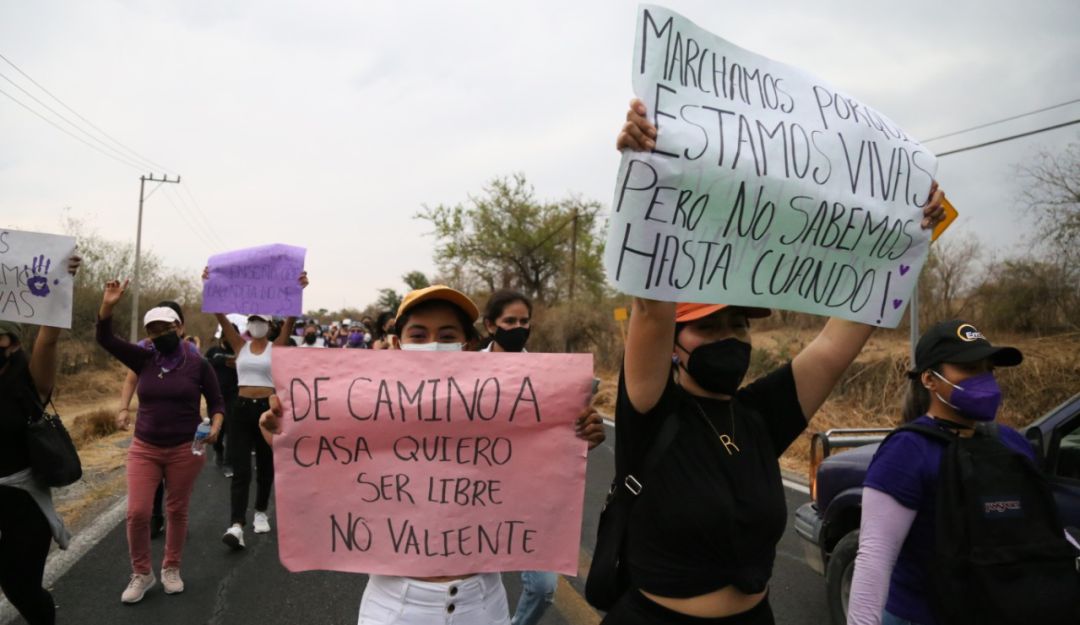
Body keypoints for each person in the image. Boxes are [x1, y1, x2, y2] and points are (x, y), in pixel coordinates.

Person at [602, 99, 946, 624]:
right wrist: (647, 173)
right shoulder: (649, 410)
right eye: (709, 326)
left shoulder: (760, 415)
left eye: (738, 325)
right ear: (674, 341)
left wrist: (911, 236)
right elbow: (650, 305)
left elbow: (836, 343)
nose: (730, 337)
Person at [259, 285, 605, 625]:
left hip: (484, 606)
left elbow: (530, 471)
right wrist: (284, 431)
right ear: (398, 343)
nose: (433, 343)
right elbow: (322, 464)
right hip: (394, 607)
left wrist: (571, 441)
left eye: (447, 333)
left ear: (468, 344)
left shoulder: (502, 405)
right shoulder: (363, 408)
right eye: (419, 334)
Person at [846, 320, 1036, 625]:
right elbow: (875, 560)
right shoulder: (906, 451)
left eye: (989, 370)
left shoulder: (1013, 445)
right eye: (970, 369)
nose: (985, 381)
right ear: (929, 380)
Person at [96, 279, 225, 603]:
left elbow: (217, 402)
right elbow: (105, 338)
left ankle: (171, 568)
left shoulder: (199, 363)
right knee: (137, 512)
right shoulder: (143, 358)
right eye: (153, 330)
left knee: (176, 511)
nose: (158, 334)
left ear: (179, 327)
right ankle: (142, 573)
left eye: (165, 327)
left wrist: (217, 426)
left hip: (185, 448)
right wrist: (109, 305)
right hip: (145, 447)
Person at [0, 255, 80, 625]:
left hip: (21, 504)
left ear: (12, 342)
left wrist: (62, 281)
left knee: (21, 588)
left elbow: (48, 338)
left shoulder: (29, 382)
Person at [205, 267, 308, 550]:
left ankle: (261, 511)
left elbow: (290, 319)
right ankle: (236, 524)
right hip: (240, 408)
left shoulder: (279, 346)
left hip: (268, 409)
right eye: (252, 320)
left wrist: (298, 289)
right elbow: (220, 316)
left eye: (260, 320)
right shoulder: (240, 345)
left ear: (269, 325)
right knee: (241, 468)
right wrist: (210, 284)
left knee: (265, 464)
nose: (255, 323)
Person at [479, 289, 556, 625]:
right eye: (510, 321)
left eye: (524, 321)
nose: (518, 327)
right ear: (491, 326)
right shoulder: (463, 369)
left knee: (543, 586)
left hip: (528, 490)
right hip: (475, 492)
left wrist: (586, 431)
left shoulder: (548, 374)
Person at [116, 299, 201, 538]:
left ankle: (177, 517)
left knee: (176, 482)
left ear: (180, 326)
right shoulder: (144, 349)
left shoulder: (191, 352)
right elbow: (131, 379)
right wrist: (124, 408)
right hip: (150, 427)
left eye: (169, 325)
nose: (163, 332)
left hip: (181, 430)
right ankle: (155, 515)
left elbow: (201, 386)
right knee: (152, 477)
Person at [206, 325, 240, 477]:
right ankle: (218, 450)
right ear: (223, 337)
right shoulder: (213, 351)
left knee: (232, 430)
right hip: (215, 396)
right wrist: (219, 361)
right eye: (226, 336)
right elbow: (204, 367)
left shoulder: (240, 352)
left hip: (234, 395)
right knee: (218, 430)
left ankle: (228, 463)